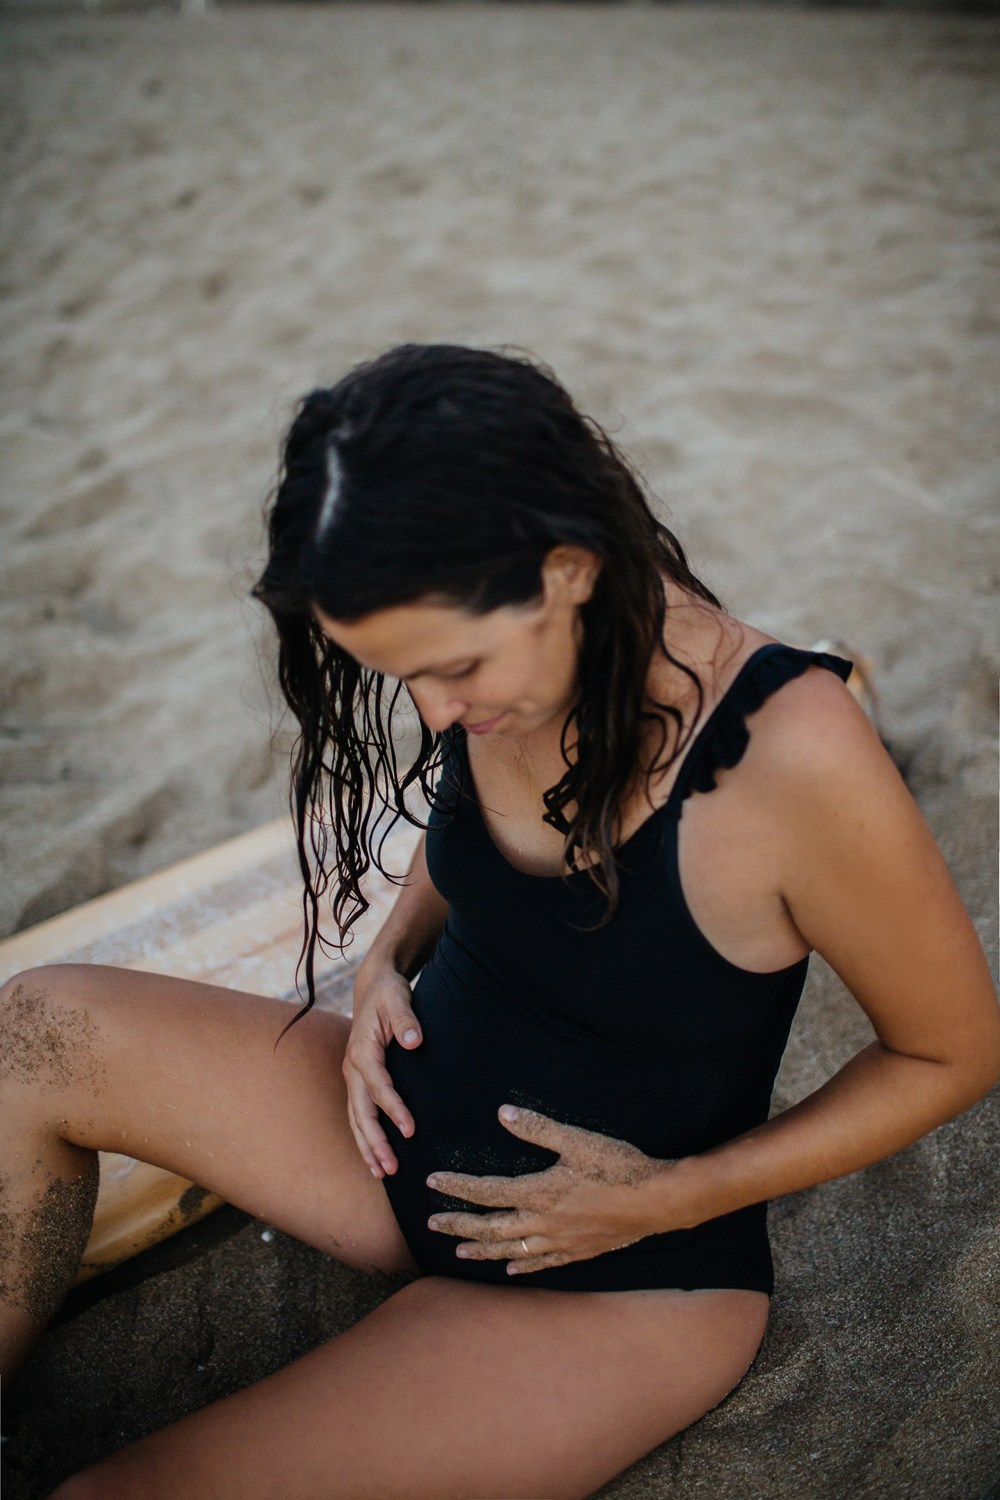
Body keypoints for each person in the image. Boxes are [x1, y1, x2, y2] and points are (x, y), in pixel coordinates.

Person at [1, 343, 997, 1500]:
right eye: (399, 675)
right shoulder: (526, 668)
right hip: (390, 1147)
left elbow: (952, 1050)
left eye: (454, 667)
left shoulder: (795, 756)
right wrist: (387, 958)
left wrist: (670, 1195)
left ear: (567, 568)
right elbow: (471, 822)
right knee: (34, 1028)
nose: (434, 709)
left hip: (620, 1280)